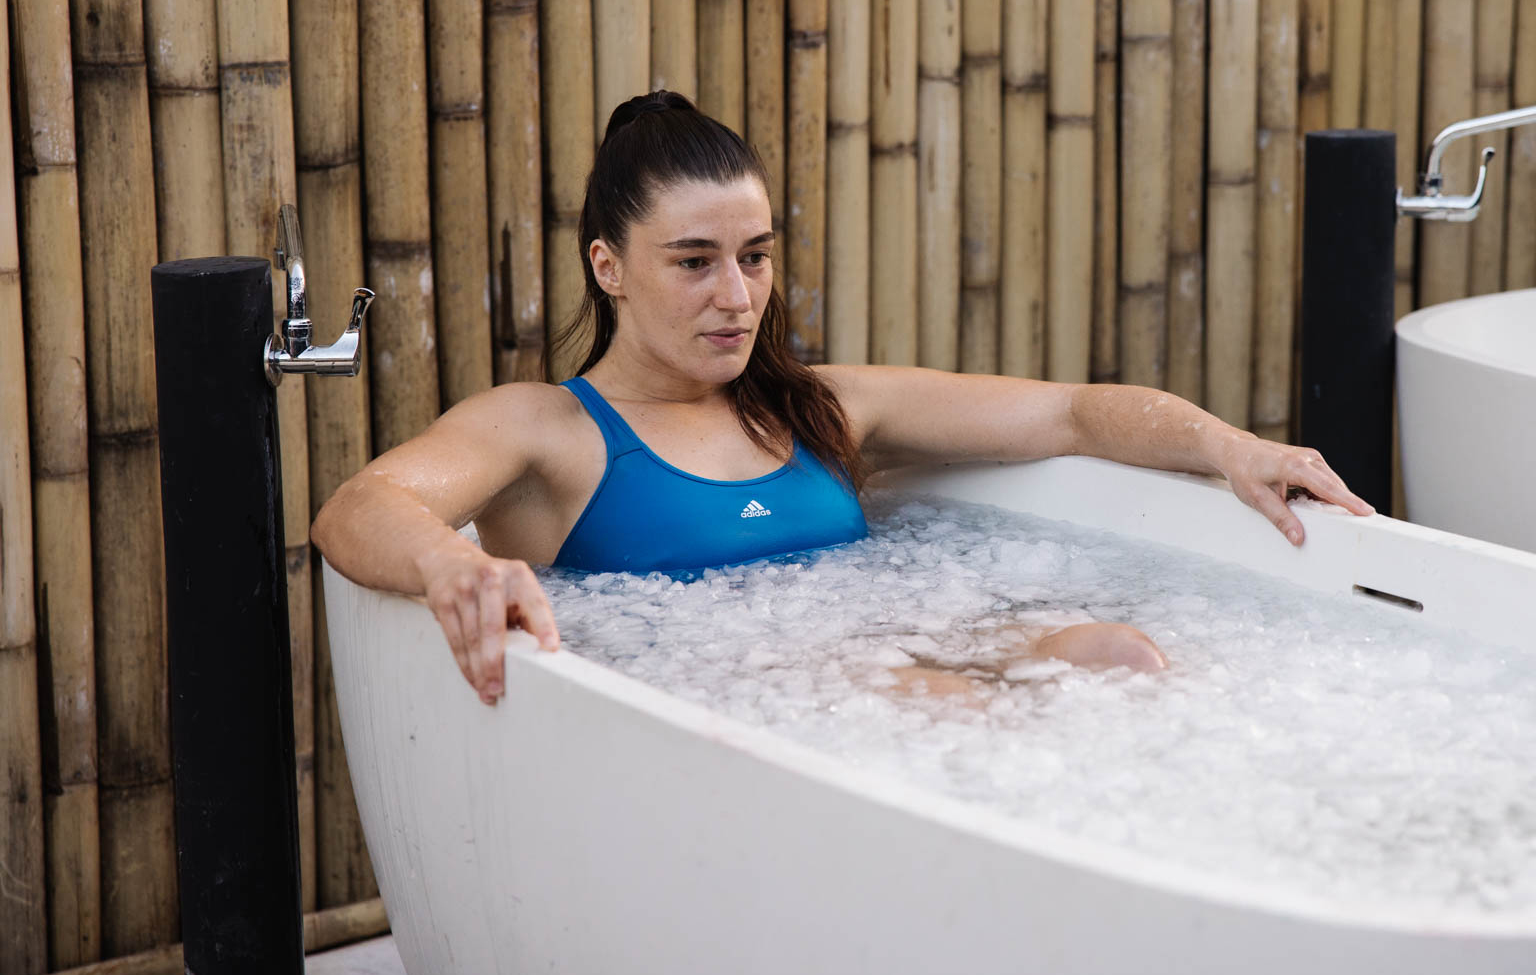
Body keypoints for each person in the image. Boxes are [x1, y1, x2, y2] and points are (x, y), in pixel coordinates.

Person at [311, 92, 1373, 706]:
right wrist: (454, 564)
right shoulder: (549, 432)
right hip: (752, 737)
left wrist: (1231, 448)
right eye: (694, 262)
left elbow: (1070, 414)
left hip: (897, 685)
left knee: (1123, 653)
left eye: (755, 256)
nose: (738, 296)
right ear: (609, 266)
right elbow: (360, 508)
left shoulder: (820, 407)